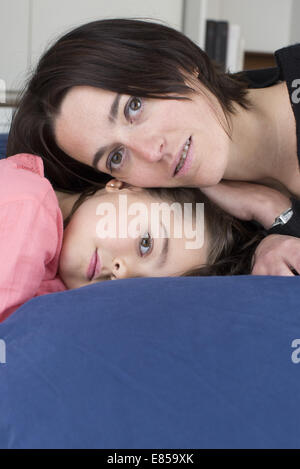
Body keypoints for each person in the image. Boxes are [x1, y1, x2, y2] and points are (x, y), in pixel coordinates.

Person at [6, 19, 300, 275]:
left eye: (134, 107)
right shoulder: (214, 231)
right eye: (116, 156)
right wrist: (275, 213)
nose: (150, 151)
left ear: (177, 63)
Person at [2, 152, 277, 322]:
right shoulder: (28, 206)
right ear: (124, 185)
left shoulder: (61, 286)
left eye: (135, 286)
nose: (121, 274)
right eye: (146, 243)